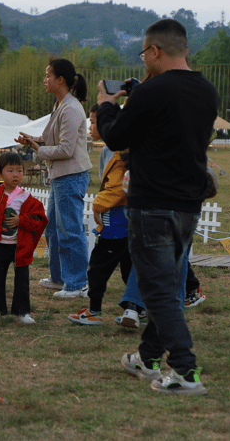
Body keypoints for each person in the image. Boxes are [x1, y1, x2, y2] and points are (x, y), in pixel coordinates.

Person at [97, 18, 217, 395]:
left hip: (152, 205)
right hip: (188, 205)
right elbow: (171, 132)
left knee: (159, 290)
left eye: (143, 54)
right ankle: (147, 358)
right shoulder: (207, 90)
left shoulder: (150, 93)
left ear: (153, 51)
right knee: (165, 284)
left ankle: (185, 371)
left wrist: (105, 106)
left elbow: (116, 137)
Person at [16, 58, 91, 298]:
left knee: (70, 230)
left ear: (60, 80)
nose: (44, 80)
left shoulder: (71, 108)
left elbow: (66, 150)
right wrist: (33, 141)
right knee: (54, 230)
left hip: (71, 176)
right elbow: (55, 140)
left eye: (48, 75)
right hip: (61, 176)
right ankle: (60, 278)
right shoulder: (60, 105)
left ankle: (78, 283)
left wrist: (38, 149)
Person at [68, 105, 132, 326]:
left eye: (94, 122)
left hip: (116, 221)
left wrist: (97, 205)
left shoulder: (119, 152)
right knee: (129, 267)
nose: (90, 127)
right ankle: (136, 309)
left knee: (98, 267)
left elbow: (117, 189)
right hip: (124, 219)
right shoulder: (114, 150)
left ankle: (94, 311)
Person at [0, 152, 48, 325]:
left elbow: (40, 220)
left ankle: (23, 313)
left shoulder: (27, 198)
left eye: (19, 170)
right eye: (10, 170)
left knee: (22, 281)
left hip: (19, 247)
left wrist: (21, 220)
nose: (15, 175)